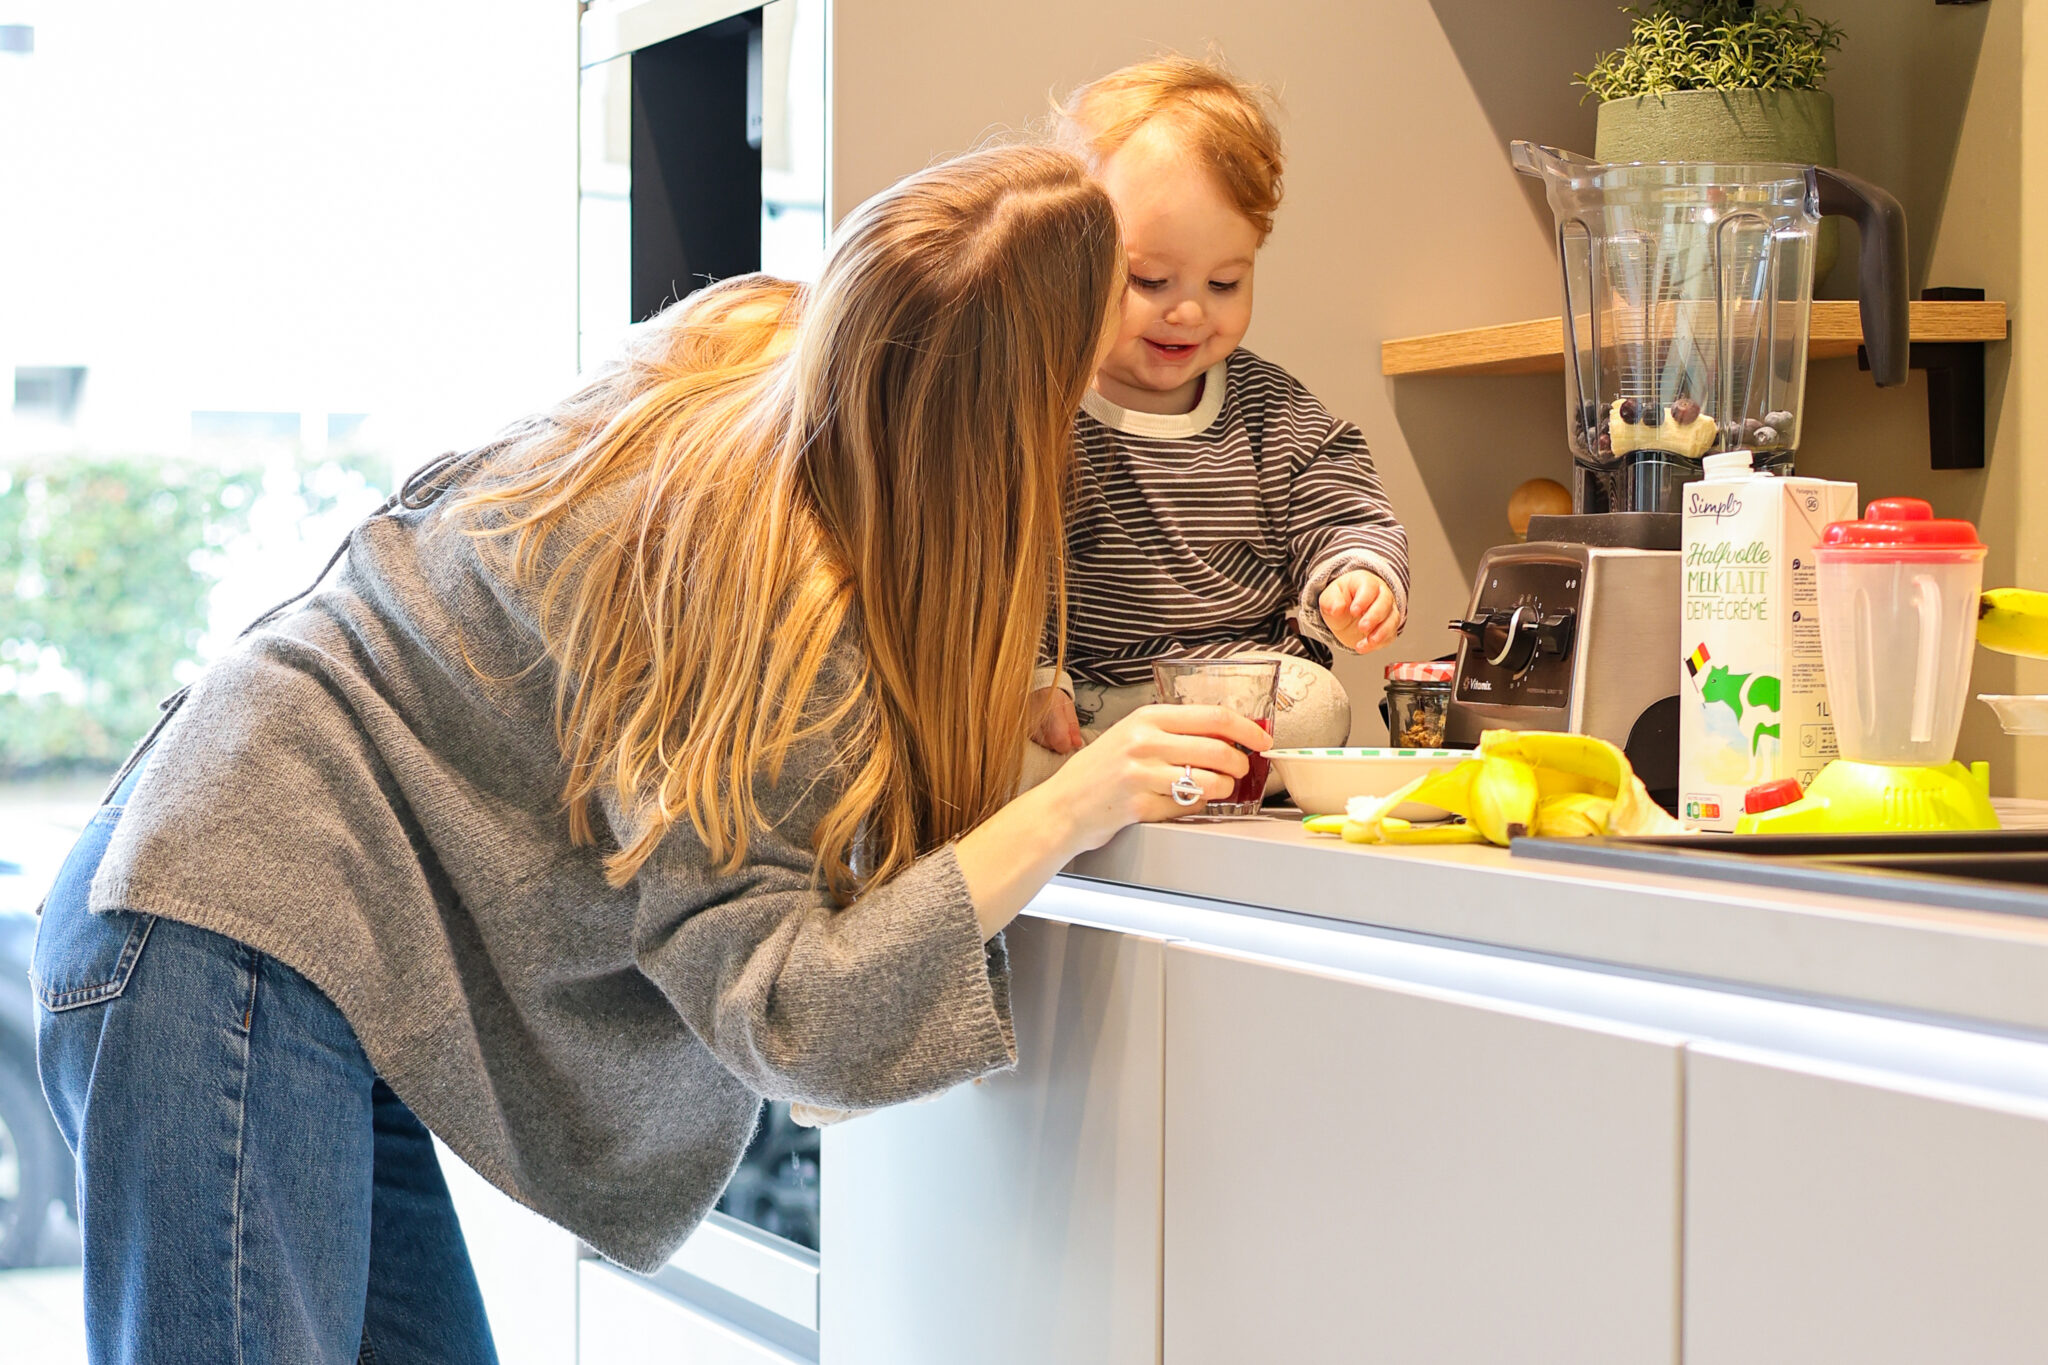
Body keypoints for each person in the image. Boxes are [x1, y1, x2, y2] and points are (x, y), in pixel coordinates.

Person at [30, 145, 1270, 1363]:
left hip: (312, 935)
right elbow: (785, 1011)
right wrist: (1068, 807)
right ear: (1004, 425)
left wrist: (1000, 696)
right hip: (229, 920)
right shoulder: (763, 594)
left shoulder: (761, 344)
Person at [1027, 56, 1411, 779]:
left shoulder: (1271, 411)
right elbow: (995, 568)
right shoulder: (1037, 411)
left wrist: (1354, 578)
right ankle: (1124, 770)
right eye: (1149, 279)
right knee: (984, 750)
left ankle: (1165, 769)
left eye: (1225, 281)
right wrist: (1032, 678)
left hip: (1233, 697)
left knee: (1319, 704)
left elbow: (1345, 512)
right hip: (1080, 705)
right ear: (1068, 256)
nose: (1190, 310)